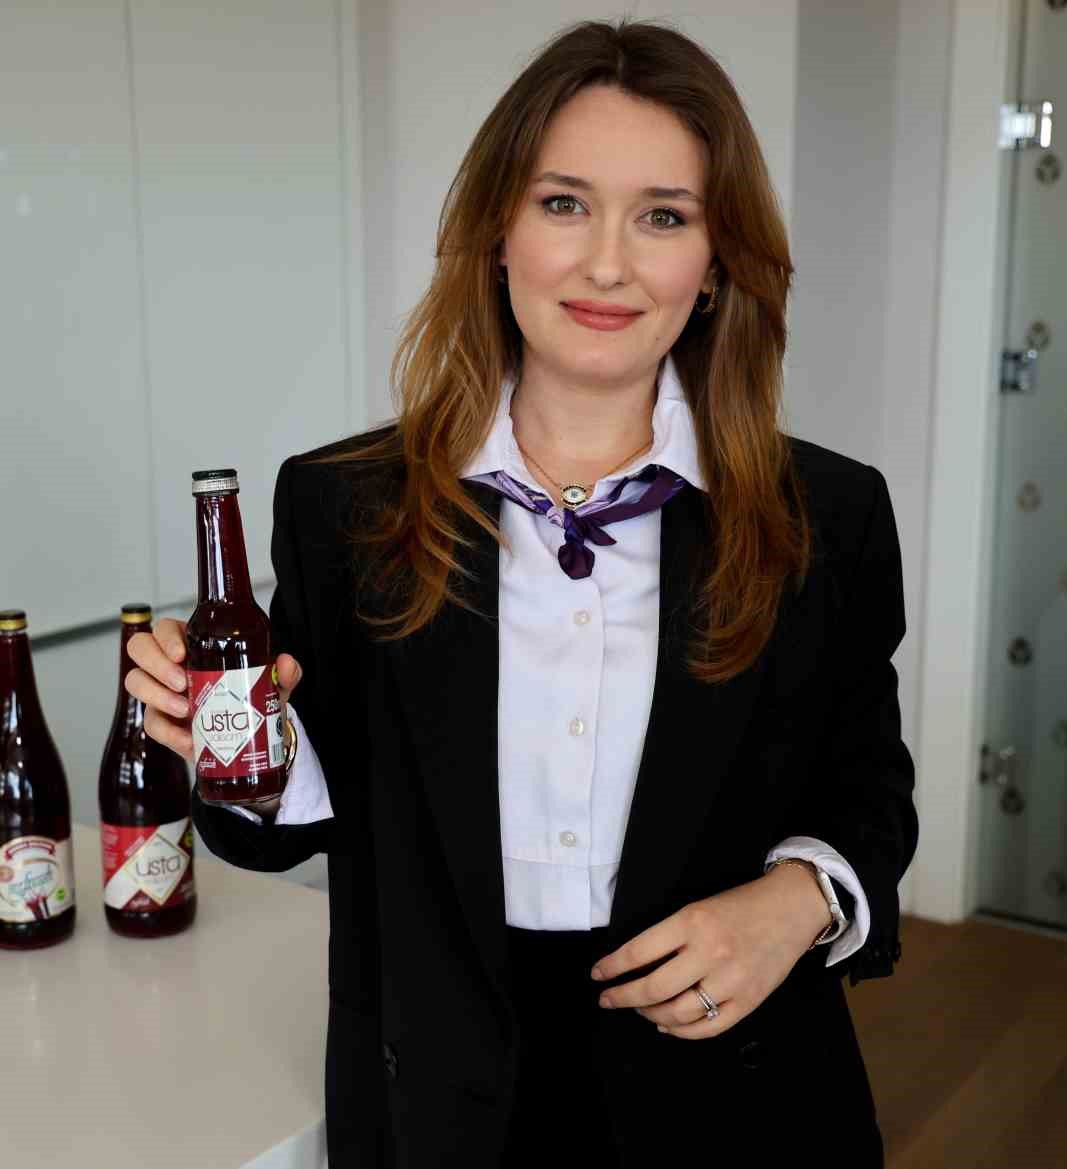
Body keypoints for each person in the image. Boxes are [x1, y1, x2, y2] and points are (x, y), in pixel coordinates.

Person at [126, 18, 917, 1169]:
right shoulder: (342, 504)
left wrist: (799, 898)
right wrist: (236, 744)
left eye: (663, 215)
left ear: (715, 263)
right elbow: (313, 803)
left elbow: (869, 785)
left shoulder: (827, 516)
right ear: (497, 233)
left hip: (737, 1087)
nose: (606, 263)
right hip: (441, 1092)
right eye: (563, 204)